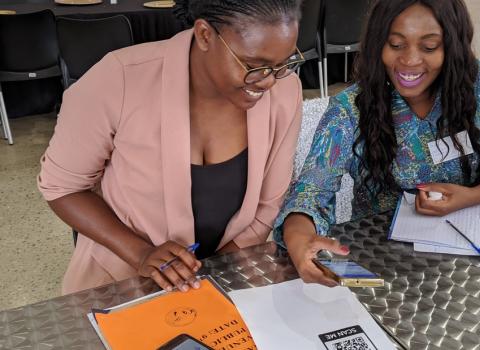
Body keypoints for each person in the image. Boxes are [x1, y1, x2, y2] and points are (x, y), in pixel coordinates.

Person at [274, 0, 480, 286]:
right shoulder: (351, 109)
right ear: (377, 44)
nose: (409, 60)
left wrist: (471, 196)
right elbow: (310, 191)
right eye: (395, 44)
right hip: (387, 260)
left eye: (429, 47)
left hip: (472, 257)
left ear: (453, 46)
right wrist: (300, 241)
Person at [38, 0, 304, 294]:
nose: (268, 82)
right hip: (119, 284)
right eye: (254, 66)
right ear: (204, 34)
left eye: (283, 64)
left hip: (228, 278)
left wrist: (214, 277)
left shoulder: (285, 91)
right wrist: (140, 253)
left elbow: (267, 206)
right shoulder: (120, 79)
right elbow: (63, 188)